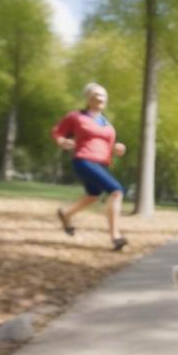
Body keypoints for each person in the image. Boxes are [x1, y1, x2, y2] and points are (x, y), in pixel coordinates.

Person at [51, 83, 128, 251]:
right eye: (96, 94)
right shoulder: (76, 116)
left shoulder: (106, 123)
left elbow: (108, 145)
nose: (100, 98)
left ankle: (66, 214)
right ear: (88, 98)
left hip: (101, 163)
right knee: (116, 191)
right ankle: (115, 236)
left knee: (93, 196)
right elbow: (58, 131)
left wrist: (117, 148)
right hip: (83, 160)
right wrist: (61, 141)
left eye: (103, 95)